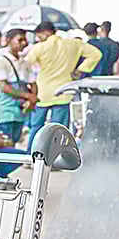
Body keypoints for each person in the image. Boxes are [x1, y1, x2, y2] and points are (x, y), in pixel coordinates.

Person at [24, 20, 100, 151]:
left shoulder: (39, 48)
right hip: (64, 92)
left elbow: (26, 64)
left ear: (46, 33)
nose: (38, 39)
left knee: (36, 126)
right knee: (58, 129)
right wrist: (80, 70)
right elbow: (96, 54)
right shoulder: (74, 44)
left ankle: (30, 156)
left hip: (43, 93)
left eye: (39, 36)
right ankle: (54, 157)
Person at [0, 28, 36, 147]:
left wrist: (32, 99)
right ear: (9, 41)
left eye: (25, 40)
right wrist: (28, 96)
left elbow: (33, 83)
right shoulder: (0, 61)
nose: (24, 43)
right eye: (20, 40)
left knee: (14, 142)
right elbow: (4, 87)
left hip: (20, 112)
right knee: (5, 144)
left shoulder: (25, 63)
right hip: (5, 110)